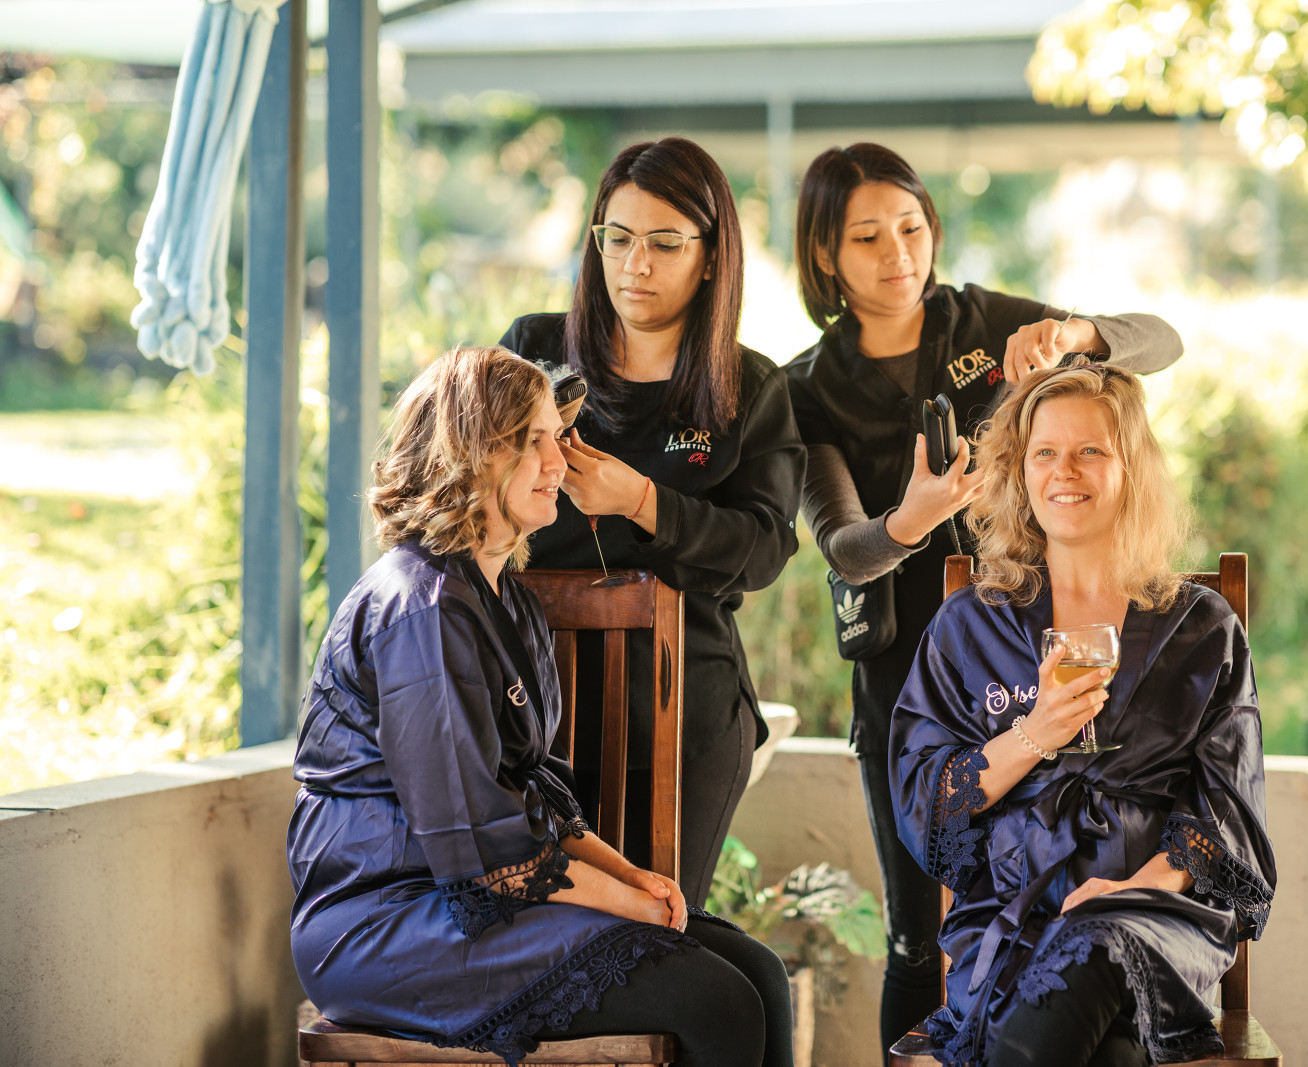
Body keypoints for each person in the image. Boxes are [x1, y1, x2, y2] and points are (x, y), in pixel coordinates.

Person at [782, 141, 1185, 1059]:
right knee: (918, 936)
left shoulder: (985, 324)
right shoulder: (808, 387)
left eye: (912, 227)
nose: (898, 254)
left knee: (1049, 909)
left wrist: (1075, 336)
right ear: (825, 256)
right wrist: (912, 520)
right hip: (905, 683)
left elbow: (1163, 340)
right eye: (867, 238)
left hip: (1031, 660)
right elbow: (844, 548)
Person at [287, 346, 793, 1067]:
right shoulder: (420, 608)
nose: (559, 461)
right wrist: (628, 905)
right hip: (387, 924)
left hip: (474, 896)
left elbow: (536, 796)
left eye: (557, 437)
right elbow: (481, 853)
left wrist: (632, 878)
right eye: (533, 441)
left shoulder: (507, 600)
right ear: (468, 454)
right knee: (717, 999)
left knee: (761, 974)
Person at [890, 361, 1275, 1066]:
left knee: (1098, 947)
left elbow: (1229, 812)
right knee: (1112, 1050)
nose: (1064, 471)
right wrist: (1035, 734)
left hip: (1155, 914)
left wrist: (1126, 890)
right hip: (1012, 915)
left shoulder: (1201, 628)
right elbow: (924, 802)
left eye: (1090, 450)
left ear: (1131, 468)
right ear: (1021, 471)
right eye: (1045, 451)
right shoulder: (971, 625)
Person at [498, 137, 804, 908]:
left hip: (681, 709)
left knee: (661, 929)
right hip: (526, 709)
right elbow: (455, 479)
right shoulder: (535, 352)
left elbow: (764, 548)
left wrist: (641, 499)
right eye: (619, 238)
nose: (636, 264)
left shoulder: (749, 387)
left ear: (710, 256)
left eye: (665, 243)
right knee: (540, 934)